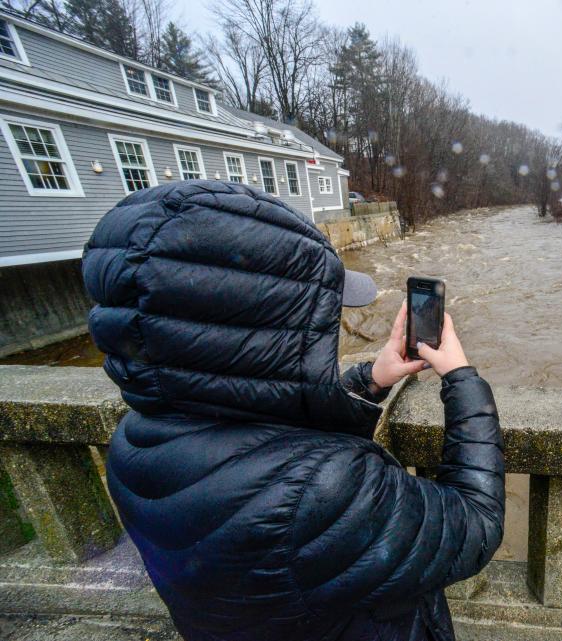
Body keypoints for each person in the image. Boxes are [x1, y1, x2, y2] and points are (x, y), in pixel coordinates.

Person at [82, 181, 505, 641]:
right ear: (265, 330)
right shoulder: (323, 488)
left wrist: (370, 380)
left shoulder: (133, 444)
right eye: (319, 316)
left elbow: (259, 419)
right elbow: (476, 522)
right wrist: (463, 380)